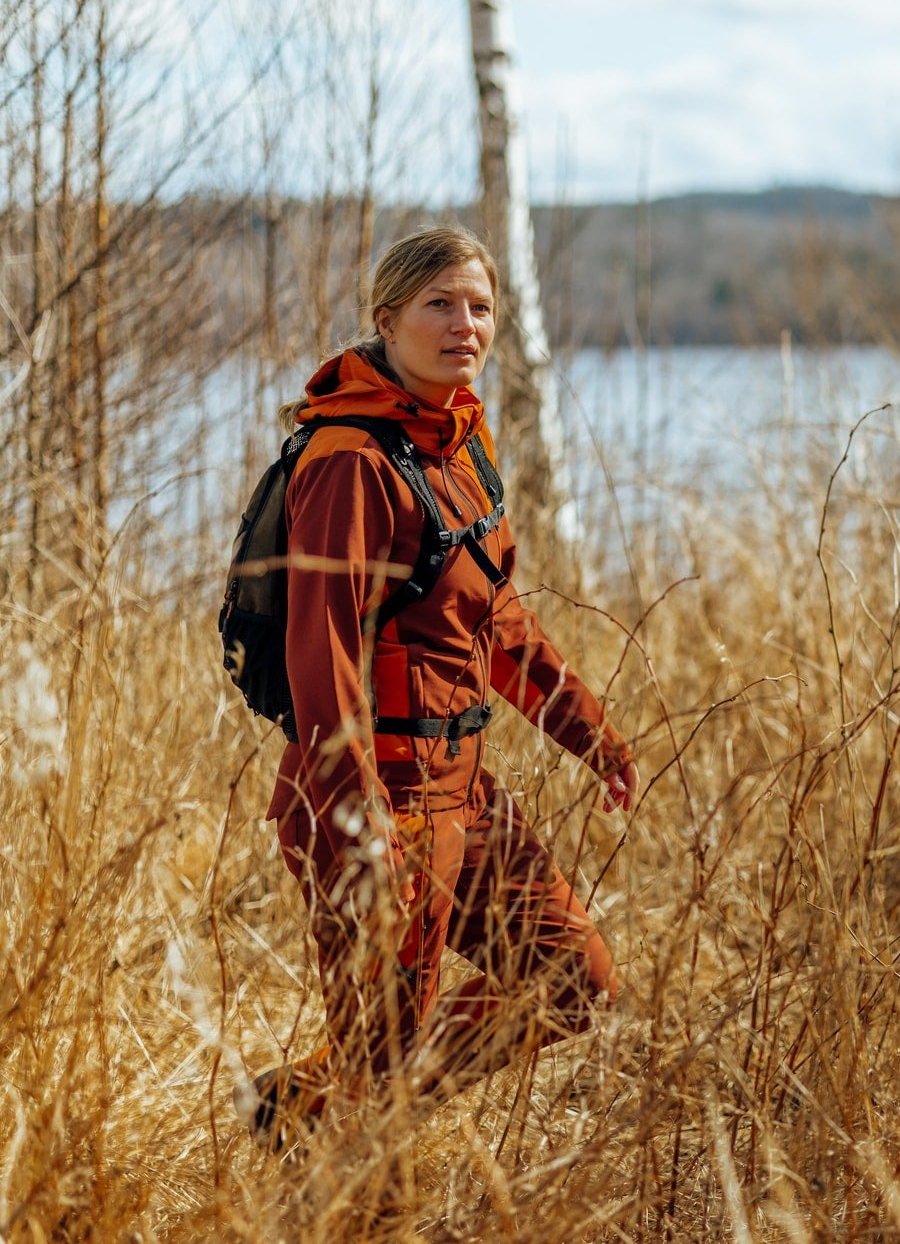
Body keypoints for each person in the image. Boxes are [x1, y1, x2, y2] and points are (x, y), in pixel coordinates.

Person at [244, 226, 636, 1145]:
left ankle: (301, 1104)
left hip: (464, 792)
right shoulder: (350, 461)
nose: (467, 325)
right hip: (378, 801)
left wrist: (592, 734)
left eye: (482, 307)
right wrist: (361, 820)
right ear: (388, 321)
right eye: (441, 305)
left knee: (575, 978)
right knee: (381, 1077)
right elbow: (322, 655)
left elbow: (497, 620)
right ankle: (338, 1142)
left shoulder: (458, 440)